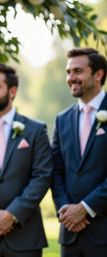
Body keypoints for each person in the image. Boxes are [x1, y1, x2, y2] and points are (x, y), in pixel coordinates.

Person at [0, 63, 52, 257]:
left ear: (12, 91)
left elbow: (42, 176)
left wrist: (12, 214)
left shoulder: (35, 130)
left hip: (26, 236)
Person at [51, 47, 107, 257]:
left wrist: (85, 207)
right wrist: (66, 210)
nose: (71, 78)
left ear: (98, 74)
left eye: (77, 71)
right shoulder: (62, 119)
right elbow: (55, 171)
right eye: (68, 72)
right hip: (70, 235)